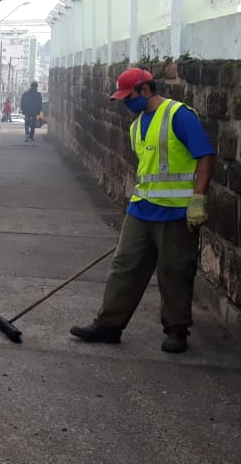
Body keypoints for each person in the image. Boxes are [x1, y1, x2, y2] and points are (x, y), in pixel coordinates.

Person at [71, 67, 214, 353]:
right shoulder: (137, 125)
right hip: (142, 209)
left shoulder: (179, 115)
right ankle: (108, 326)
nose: (126, 103)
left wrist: (198, 200)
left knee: (174, 271)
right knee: (124, 267)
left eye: (129, 96)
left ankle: (176, 331)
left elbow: (206, 156)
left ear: (146, 90)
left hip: (175, 212)